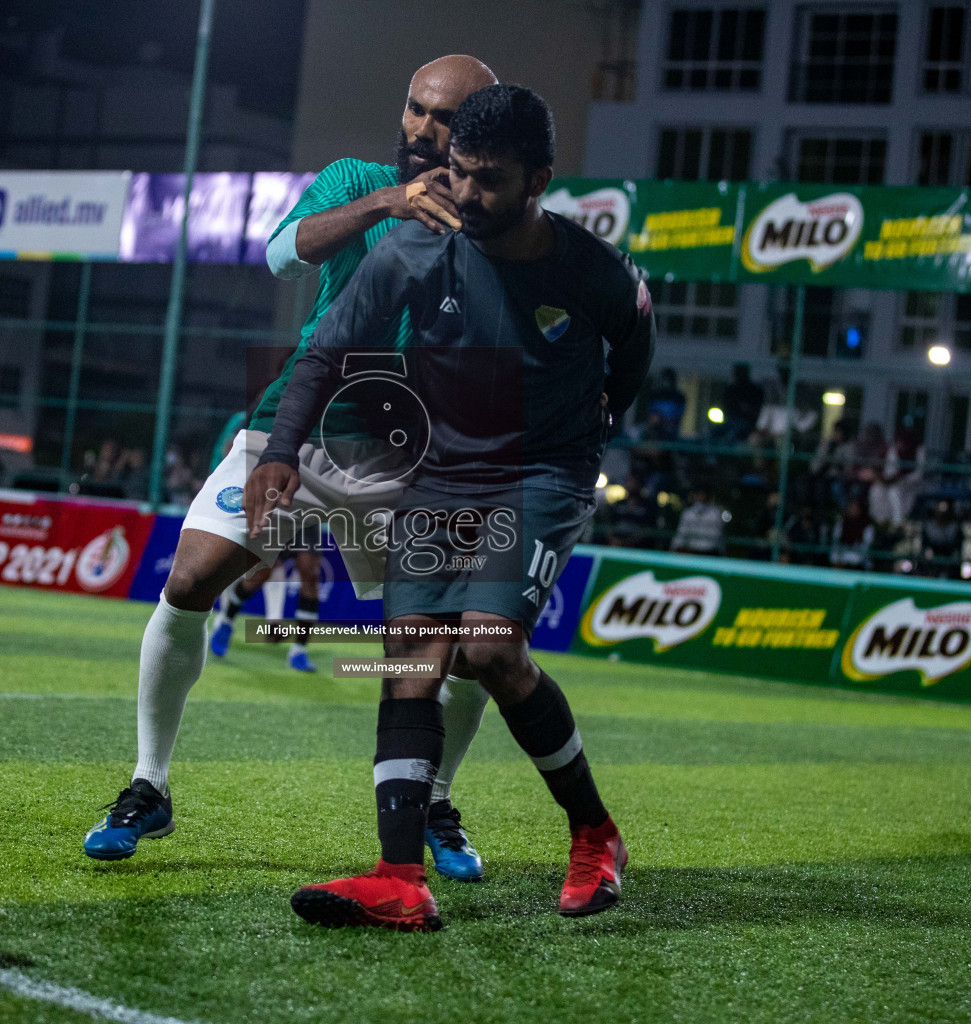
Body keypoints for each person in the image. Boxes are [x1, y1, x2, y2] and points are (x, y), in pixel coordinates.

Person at [82, 56, 502, 883]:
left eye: (443, 119)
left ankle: (437, 801)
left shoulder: (497, 227)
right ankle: (147, 785)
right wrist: (387, 202)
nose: (420, 128)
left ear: (478, 134)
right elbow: (281, 254)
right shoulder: (353, 179)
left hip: (407, 459)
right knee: (190, 579)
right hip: (295, 426)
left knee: (464, 641)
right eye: (414, 108)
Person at [245, 84, 654, 928]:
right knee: (410, 663)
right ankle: (399, 878)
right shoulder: (411, 250)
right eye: (460, 173)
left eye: (490, 180)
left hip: (543, 473)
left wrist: (606, 411)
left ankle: (594, 834)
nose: (466, 194)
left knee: (490, 648)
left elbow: (638, 335)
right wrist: (281, 452)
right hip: (446, 475)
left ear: (538, 179)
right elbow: (324, 353)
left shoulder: (589, 267)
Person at [204, 411, 324, 673]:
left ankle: (299, 650)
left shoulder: (332, 411)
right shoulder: (274, 408)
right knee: (262, 572)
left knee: (311, 572)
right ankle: (227, 618)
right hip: (278, 497)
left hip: (308, 502)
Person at [869, 424, 924, 528]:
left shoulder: (919, 450)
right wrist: (886, 479)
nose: (900, 444)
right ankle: (879, 522)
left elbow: (918, 475)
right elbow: (890, 470)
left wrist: (901, 478)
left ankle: (897, 522)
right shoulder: (894, 450)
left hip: (910, 485)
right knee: (876, 490)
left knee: (894, 491)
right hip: (892, 482)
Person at [670, 485, 727, 556]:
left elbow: (717, 537)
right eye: (698, 494)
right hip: (691, 553)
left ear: (707, 496)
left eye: (703, 494)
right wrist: (674, 548)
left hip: (711, 553)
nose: (701, 497)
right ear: (694, 496)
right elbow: (681, 533)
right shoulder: (687, 513)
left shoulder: (716, 513)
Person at [917, 499, 961, 577]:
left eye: (944, 513)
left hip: (949, 558)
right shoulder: (929, 527)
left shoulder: (954, 528)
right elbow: (925, 544)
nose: (942, 515)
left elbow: (957, 547)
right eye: (939, 512)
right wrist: (927, 550)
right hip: (932, 558)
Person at [829, 497, 875, 570]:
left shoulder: (867, 526)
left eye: (856, 508)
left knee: (856, 559)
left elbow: (867, 546)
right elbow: (836, 541)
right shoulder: (842, 523)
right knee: (835, 555)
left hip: (859, 555)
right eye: (851, 508)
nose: (853, 510)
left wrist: (853, 553)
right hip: (843, 551)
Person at [721, 362, 763, 442]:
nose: (737, 374)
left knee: (730, 437)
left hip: (747, 424)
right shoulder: (730, 390)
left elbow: (756, 411)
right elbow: (726, 407)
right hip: (730, 421)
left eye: (740, 371)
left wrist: (746, 409)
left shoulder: (754, 390)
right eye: (736, 371)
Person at [641, 367, 685, 440]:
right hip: (654, 432)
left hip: (670, 431)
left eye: (668, 380)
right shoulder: (654, 396)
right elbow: (651, 413)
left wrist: (668, 422)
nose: (666, 383)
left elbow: (678, 414)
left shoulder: (678, 398)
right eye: (664, 380)